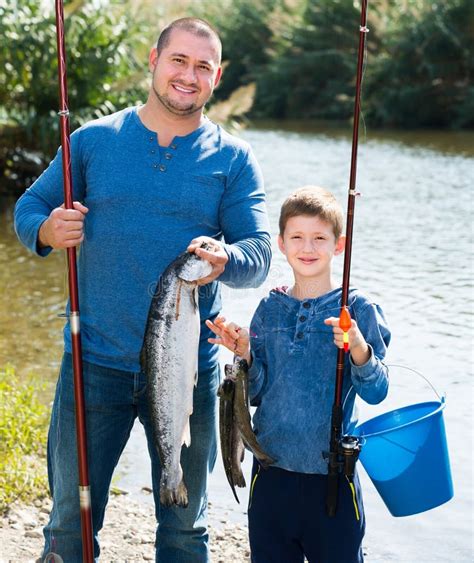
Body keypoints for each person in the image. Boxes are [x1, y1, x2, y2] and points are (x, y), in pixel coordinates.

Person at [14, 17, 271, 562]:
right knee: (69, 524)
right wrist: (45, 229)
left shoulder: (233, 159)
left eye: (203, 66)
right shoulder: (93, 141)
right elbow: (30, 207)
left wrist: (227, 258)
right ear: (153, 61)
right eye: (178, 59)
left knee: (185, 528)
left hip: (190, 371)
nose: (188, 74)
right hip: (92, 364)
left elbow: (260, 254)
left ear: (216, 77)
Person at [206, 186, 391, 563]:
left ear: (338, 245)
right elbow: (254, 393)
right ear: (281, 243)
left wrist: (356, 345)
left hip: (332, 483)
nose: (308, 247)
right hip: (270, 475)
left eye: (320, 238)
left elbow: (377, 392)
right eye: (297, 237)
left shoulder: (358, 309)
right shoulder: (269, 309)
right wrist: (245, 355)